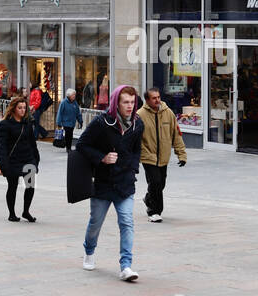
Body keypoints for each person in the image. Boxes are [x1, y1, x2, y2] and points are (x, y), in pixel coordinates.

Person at [76, 85, 145, 281]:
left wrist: (133, 168)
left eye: (133, 102)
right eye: (126, 102)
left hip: (125, 183)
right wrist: (102, 157)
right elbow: (82, 145)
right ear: (116, 102)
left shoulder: (137, 124)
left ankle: (126, 266)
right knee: (96, 222)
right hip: (103, 183)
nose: (130, 106)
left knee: (127, 222)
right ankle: (89, 251)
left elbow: (136, 150)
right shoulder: (101, 122)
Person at [139, 87, 187, 223]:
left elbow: (176, 135)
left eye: (158, 97)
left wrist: (181, 155)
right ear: (147, 100)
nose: (157, 100)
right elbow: (134, 138)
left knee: (161, 183)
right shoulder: (139, 115)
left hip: (163, 156)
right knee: (155, 181)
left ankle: (148, 198)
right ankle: (154, 211)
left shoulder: (168, 113)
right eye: (153, 98)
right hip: (148, 156)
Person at [0, 96, 39, 223]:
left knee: (30, 186)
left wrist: (36, 158)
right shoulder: (4, 124)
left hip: (28, 158)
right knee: (12, 186)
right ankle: (12, 213)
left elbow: (32, 142)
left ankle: (26, 211)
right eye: (20, 108)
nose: (22, 110)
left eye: (24, 108)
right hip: (12, 160)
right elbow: (1, 146)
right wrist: (4, 163)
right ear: (13, 108)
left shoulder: (27, 123)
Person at [55, 88, 81, 152]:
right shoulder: (63, 103)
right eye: (73, 95)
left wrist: (80, 120)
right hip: (66, 122)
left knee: (70, 135)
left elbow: (78, 112)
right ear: (69, 95)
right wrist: (58, 122)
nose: (74, 96)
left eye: (74, 95)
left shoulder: (75, 103)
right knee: (68, 135)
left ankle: (68, 147)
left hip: (72, 122)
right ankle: (68, 148)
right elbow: (60, 113)